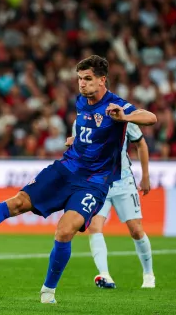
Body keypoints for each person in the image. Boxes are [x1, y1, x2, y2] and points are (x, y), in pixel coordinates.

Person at [0, 55, 157, 303]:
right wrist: (76, 141)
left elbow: (150, 117)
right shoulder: (81, 102)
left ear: (102, 80)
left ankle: (48, 292)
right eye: (79, 79)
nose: (82, 84)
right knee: (18, 202)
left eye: (88, 79)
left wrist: (125, 117)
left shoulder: (116, 105)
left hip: (94, 183)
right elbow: (92, 134)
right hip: (65, 170)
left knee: (65, 231)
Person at [67, 121, 155, 289]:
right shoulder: (80, 121)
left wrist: (145, 176)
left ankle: (148, 274)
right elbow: (78, 153)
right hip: (97, 183)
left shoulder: (122, 117)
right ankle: (105, 275)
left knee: (136, 230)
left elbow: (141, 144)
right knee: (94, 227)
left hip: (123, 181)